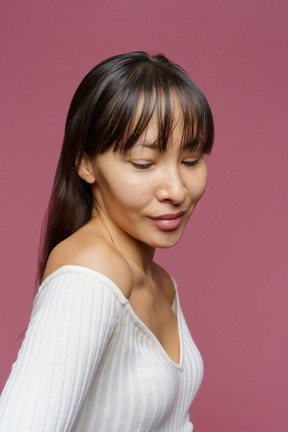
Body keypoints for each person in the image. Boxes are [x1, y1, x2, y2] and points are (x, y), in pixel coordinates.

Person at [0, 51, 214, 431]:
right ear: (85, 164)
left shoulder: (161, 283)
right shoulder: (90, 271)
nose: (177, 190)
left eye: (192, 159)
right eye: (144, 164)